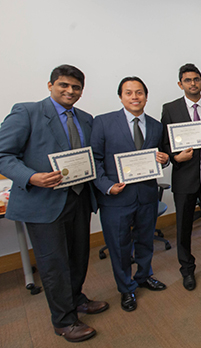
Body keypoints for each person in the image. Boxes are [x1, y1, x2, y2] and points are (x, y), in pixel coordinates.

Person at [0, 65, 108, 342]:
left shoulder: (86, 118)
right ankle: (63, 320)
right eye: (64, 85)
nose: (70, 91)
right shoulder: (27, 112)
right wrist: (32, 177)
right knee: (54, 263)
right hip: (43, 201)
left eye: (76, 87)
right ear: (50, 85)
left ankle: (76, 298)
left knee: (78, 255)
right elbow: (3, 155)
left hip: (79, 198)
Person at [91, 76, 170, 312]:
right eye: (129, 93)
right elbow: (93, 160)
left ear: (146, 96)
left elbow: (162, 155)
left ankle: (144, 276)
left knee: (145, 241)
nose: (134, 97)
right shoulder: (103, 122)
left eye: (139, 93)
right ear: (120, 97)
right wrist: (106, 185)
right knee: (119, 246)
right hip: (116, 198)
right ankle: (126, 288)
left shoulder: (156, 125)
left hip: (146, 195)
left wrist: (165, 160)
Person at [161, 63, 201, 291]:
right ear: (180, 84)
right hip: (184, 177)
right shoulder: (170, 109)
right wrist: (175, 158)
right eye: (188, 80)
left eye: (196, 79)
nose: (193, 83)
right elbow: (164, 142)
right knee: (183, 227)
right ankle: (187, 269)